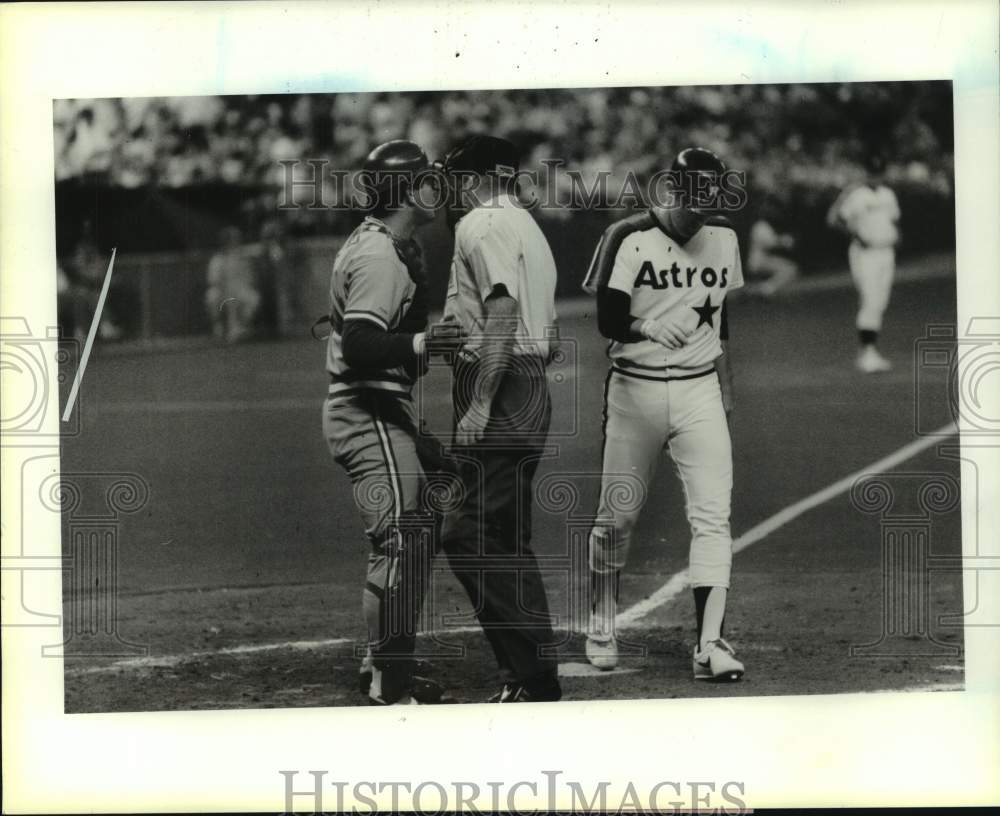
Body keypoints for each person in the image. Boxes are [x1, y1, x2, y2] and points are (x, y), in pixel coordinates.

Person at [580, 147, 745, 682]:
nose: (703, 208)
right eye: (696, 195)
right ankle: (602, 622)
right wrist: (647, 327)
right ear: (672, 189)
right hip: (636, 390)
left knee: (713, 516)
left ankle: (710, 644)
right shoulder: (628, 235)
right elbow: (606, 316)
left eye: (712, 197)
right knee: (617, 517)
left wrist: (724, 382)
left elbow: (719, 318)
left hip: (699, 390)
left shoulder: (724, 239)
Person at [321, 139, 460, 705]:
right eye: (427, 179)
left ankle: (383, 655)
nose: (437, 188)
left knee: (424, 519)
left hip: (380, 407)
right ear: (406, 190)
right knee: (400, 539)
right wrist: (430, 341)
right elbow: (360, 343)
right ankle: (387, 681)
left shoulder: (389, 245)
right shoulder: (380, 255)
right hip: (365, 408)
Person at [437, 135, 563, 703]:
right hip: (529, 382)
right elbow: (550, 333)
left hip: (502, 384)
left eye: (452, 179)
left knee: (469, 532)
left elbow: (503, 309)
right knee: (507, 534)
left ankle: (531, 674)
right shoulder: (527, 225)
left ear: (471, 180)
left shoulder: (482, 224)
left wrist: (483, 400)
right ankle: (532, 673)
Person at [826, 153, 901, 373]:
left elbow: (893, 220)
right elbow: (835, 220)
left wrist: (894, 236)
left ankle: (869, 352)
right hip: (865, 253)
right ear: (866, 172)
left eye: (879, 172)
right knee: (870, 300)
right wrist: (858, 237)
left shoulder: (888, 194)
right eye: (872, 172)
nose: (875, 177)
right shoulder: (857, 195)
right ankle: (867, 353)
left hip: (886, 252)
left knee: (880, 302)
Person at [205, 226, 260, 342]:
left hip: (241, 290)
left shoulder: (244, 257)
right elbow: (213, 281)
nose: (234, 242)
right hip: (222, 292)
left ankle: (241, 328)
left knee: (253, 298)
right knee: (212, 296)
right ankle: (219, 328)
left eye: (236, 239)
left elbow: (250, 278)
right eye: (231, 239)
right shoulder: (218, 259)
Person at [745, 195, 798, 297]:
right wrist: (785, 241)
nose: (773, 212)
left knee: (790, 268)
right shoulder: (760, 226)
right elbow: (769, 243)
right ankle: (764, 290)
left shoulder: (765, 225)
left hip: (764, 260)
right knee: (790, 269)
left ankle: (761, 290)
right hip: (758, 262)